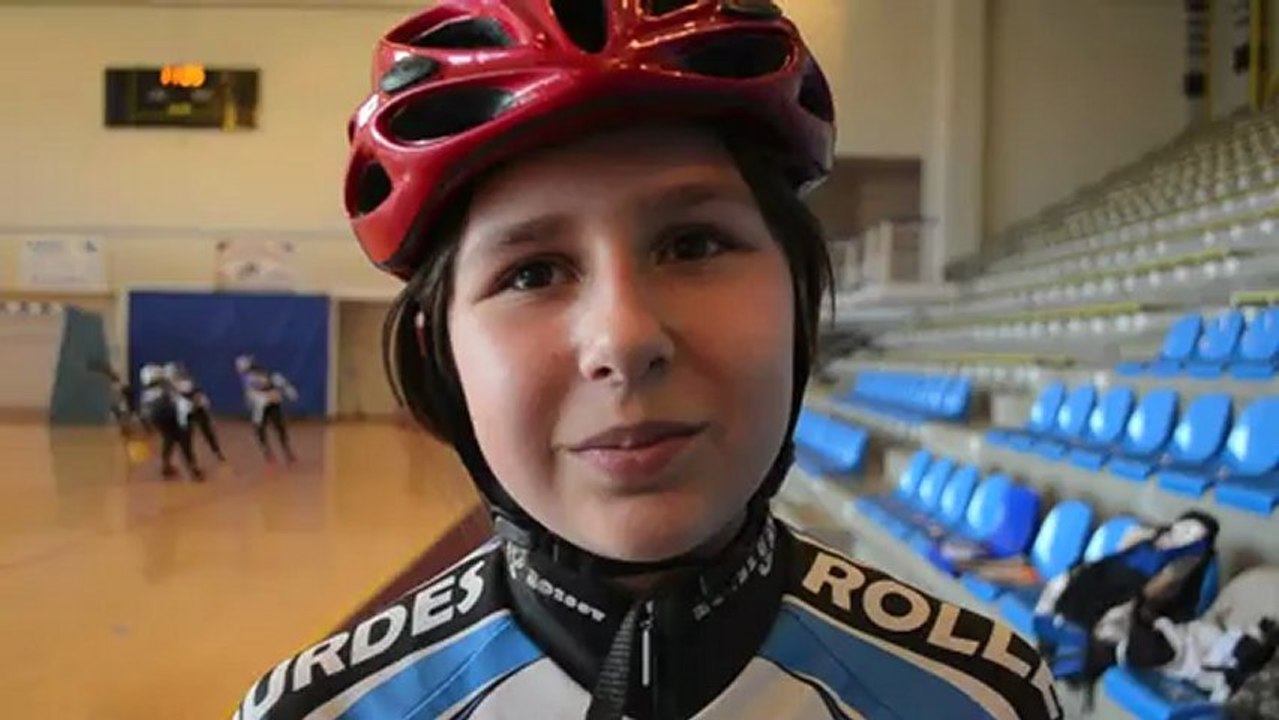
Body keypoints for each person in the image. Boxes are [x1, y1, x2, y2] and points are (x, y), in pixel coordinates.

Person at [233, 2, 1061, 718]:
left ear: (799, 302)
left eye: (694, 243)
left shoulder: (982, 699)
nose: (624, 340)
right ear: (440, 353)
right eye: (531, 273)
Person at [138, 363, 203, 481]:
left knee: (169, 438)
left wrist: (147, 426)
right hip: (171, 415)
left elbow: (145, 412)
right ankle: (193, 469)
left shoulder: (147, 393)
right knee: (184, 441)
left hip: (159, 419)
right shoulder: (166, 387)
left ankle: (166, 465)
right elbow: (180, 400)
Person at [235, 354, 297, 464]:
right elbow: (251, 392)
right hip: (260, 406)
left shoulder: (261, 373)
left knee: (279, 427)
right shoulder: (246, 378)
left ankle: (287, 450)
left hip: (272, 404)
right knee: (259, 429)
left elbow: (276, 380)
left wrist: (287, 391)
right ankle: (267, 452)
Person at [164, 362, 226, 461]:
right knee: (185, 437)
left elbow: (194, 394)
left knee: (206, 431)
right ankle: (189, 460)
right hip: (185, 413)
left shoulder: (186, 383)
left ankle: (216, 451)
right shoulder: (168, 387)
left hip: (196, 410)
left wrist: (199, 402)